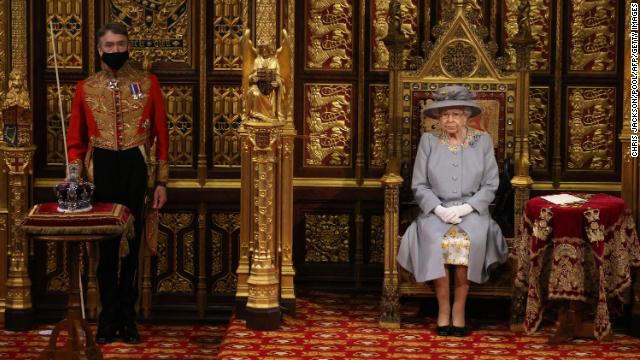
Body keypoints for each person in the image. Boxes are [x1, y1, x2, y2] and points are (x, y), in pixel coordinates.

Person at [67, 22, 169, 344]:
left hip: (136, 167)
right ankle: (107, 320)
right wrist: (73, 175)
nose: (115, 51)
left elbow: (162, 135)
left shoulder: (147, 83)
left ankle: (129, 318)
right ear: (99, 49)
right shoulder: (85, 88)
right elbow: (75, 140)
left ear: (128, 46)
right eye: (109, 46)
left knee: (133, 247)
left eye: (120, 44)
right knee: (106, 248)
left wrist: (161, 182)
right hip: (102, 169)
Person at [397, 85, 508, 337]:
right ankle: (443, 308)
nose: (450, 120)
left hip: (473, 212)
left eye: (456, 114)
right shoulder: (429, 142)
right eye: (445, 114)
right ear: (438, 117)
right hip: (435, 212)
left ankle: (459, 309)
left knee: (467, 242)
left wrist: (468, 206)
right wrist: (437, 209)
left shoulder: (482, 141)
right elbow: (419, 184)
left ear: (467, 116)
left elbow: (491, 184)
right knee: (437, 240)